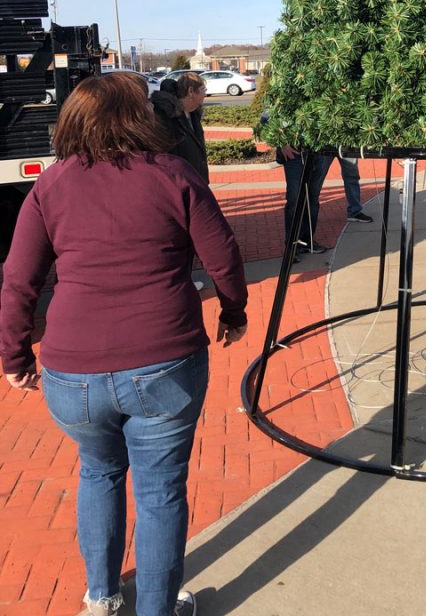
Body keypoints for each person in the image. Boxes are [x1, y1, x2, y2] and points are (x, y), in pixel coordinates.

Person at [0, 72, 248, 616]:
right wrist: (234, 312)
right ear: (140, 118)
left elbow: (19, 279)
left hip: (73, 373)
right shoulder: (173, 174)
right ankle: (156, 609)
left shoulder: (51, 185)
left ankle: (102, 596)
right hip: (165, 360)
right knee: (160, 492)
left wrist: (14, 356)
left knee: (98, 471)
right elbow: (223, 254)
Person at [151, 73, 209, 183]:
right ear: (191, 91)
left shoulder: (194, 114)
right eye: (203, 89)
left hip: (198, 181)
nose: (205, 94)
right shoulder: (167, 117)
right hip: (180, 183)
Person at [276, 146, 333, 255]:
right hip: (294, 152)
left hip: (320, 152)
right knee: (294, 199)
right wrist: (282, 144)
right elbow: (267, 128)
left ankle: (307, 240)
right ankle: (291, 246)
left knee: (312, 197)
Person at [339, 155, 374, 223]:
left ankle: (354, 211)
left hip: (346, 146)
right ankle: (311, 215)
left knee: (352, 176)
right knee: (316, 179)